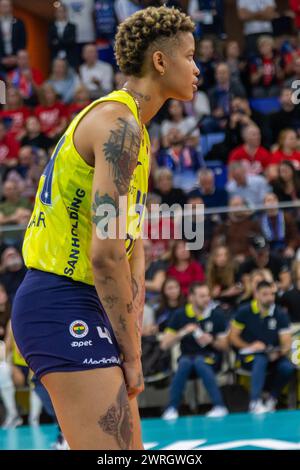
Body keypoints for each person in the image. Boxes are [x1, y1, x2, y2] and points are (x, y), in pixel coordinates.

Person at [11, 6, 199, 450]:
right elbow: (106, 253)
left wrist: (131, 323)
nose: (196, 68)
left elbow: (132, 246)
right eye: (189, 56)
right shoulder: (120, 126)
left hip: (86, 302)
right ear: (160, 61)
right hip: (60, 301)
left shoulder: (135, 128)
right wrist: (134, 355)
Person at [161, 282, 229, 419]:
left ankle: (219, 406)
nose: (207, 299)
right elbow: (164, 344)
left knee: (199, 361)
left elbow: (225, 346)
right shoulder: (180, 315)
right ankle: (172, 408)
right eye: (202, 296)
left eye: (208, 295)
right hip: (187, 358)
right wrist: (183, 332)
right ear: (191, 297)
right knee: (186, 362)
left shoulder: (217, 315)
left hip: (211, 358)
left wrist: (211, 340)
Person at [230, 280, 295, 413]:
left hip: (273, 355)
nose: (270, 297)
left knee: (287, 367)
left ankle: (272, 399)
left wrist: (278, 353)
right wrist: (250, 345)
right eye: (265, 294)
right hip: (249, 356)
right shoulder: (244, 311)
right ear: (256, 295)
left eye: (272, 294)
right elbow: (233, 337)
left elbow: (286, 342)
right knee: (260, 359)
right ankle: (255, 402)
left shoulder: (280, 314)